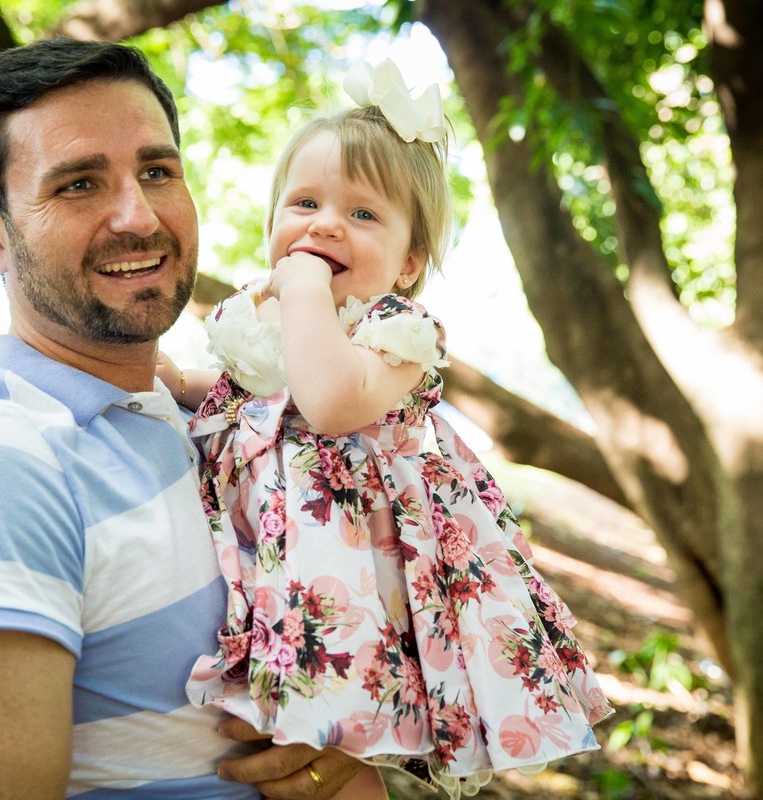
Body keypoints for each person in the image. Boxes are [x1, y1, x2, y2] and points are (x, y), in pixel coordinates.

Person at [0, 38, 365, 799]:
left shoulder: (189, 418)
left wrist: (342, 748)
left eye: (157, 172)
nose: (138, 216)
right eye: (79, 185)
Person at [157, 59, 613, 798]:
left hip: (356, 562)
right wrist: (186, 383)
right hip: (275, 552)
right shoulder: (267, 317)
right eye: (304, 203)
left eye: (363, 214)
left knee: (341, 744)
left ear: (408, 264)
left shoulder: (396, 330)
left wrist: (304, 289)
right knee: (275, 720)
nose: (325, 224)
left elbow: (330, 402)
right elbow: (260, 395)